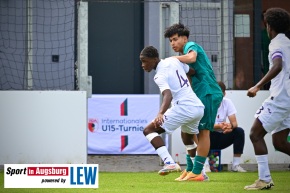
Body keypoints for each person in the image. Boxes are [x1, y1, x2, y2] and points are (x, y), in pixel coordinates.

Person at [164, 23, 223, 181]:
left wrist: (172, 59)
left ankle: (198, 172)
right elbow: (191, 75)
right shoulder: (183, 61)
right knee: (186, 133)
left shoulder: (191, 46)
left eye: (175, 39)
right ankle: (190, 169)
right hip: (198, 95)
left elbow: (192, 57)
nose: (173, 43)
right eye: (170, 41)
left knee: (203, 132)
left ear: (184, 38)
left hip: (208, 91)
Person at [139, 46, 205, 176]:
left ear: (154, 59)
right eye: (141, 61)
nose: (142, 65)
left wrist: (160, 113)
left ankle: (169, 162)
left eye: (145, 61)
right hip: (198, 107)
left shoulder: (159, 75)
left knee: (149, 130)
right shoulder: (173, 61)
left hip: (184, 107)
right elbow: (191, 71)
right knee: (187, 138)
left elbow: (167, 95)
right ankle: (199, 173)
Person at [244, 7, 290, 190]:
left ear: (269, 26)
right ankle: (264, 179)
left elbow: (277, 66)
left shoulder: (276, 44)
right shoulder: (287, 42)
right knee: (278, 141)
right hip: (288, 99)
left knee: (255, 134)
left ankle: (264, 179)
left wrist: (257, 85)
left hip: (280, 99)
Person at [204, 81, 246, 173]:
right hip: (208, 136)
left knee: (239, 131)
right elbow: (204, 124)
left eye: (219, 93)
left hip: (222, 135)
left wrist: (229, 127)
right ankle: (205, 165)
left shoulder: (227, 102)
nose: (217, 95)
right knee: (202, 131)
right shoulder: (205, 103)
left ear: (224, 93)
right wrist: (219, 126)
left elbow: (234, 123)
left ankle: (235, 165)